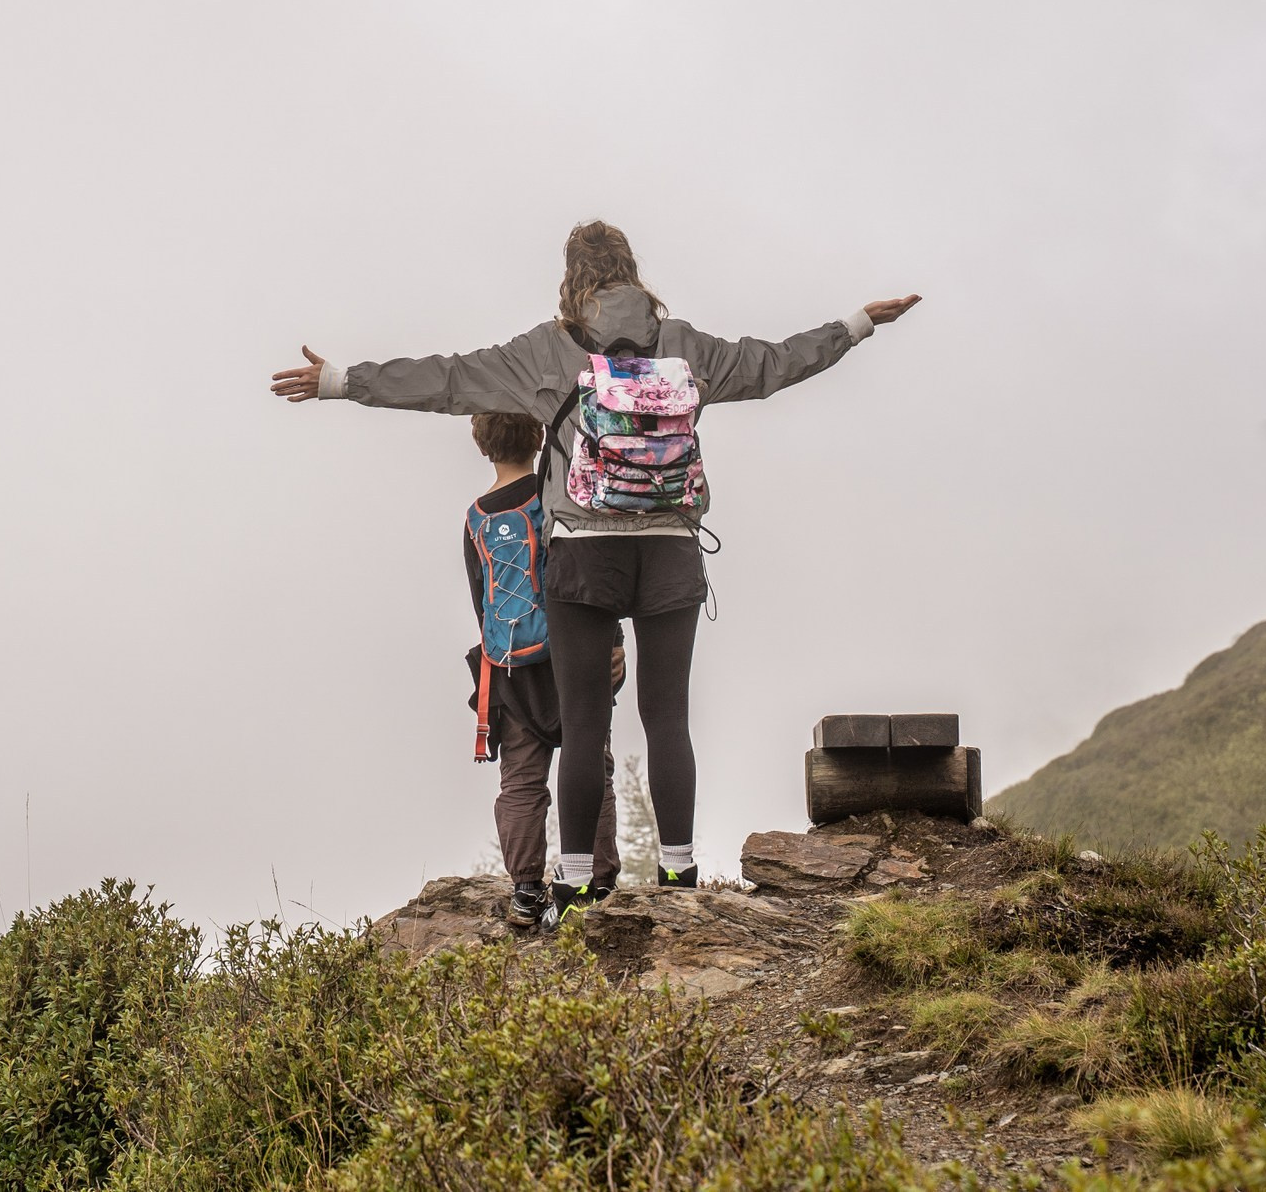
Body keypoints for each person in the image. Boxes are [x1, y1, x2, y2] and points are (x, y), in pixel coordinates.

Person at [272, 219, 919, 921]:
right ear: (633, 272)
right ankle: (679, 873)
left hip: (582, 551)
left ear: (571, 276)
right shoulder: (684, 344)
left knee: (583, 724)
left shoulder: (546, 350)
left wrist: (341, 380)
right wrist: (854, 325)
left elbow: (448, 380)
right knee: (667, 716)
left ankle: (575, 882)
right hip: (671, 542)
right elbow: (773, 364)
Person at [463, 410, 625, 926]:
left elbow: (480, 602)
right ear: (538, 439)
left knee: (521, 784)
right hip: (575, 655)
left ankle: (527, 892)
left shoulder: (474, 518)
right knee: (592, 767)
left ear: (483, 446)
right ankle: (597, 886)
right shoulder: (554, 495)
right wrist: (614, 640)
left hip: (509, 669)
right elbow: (587, 573)